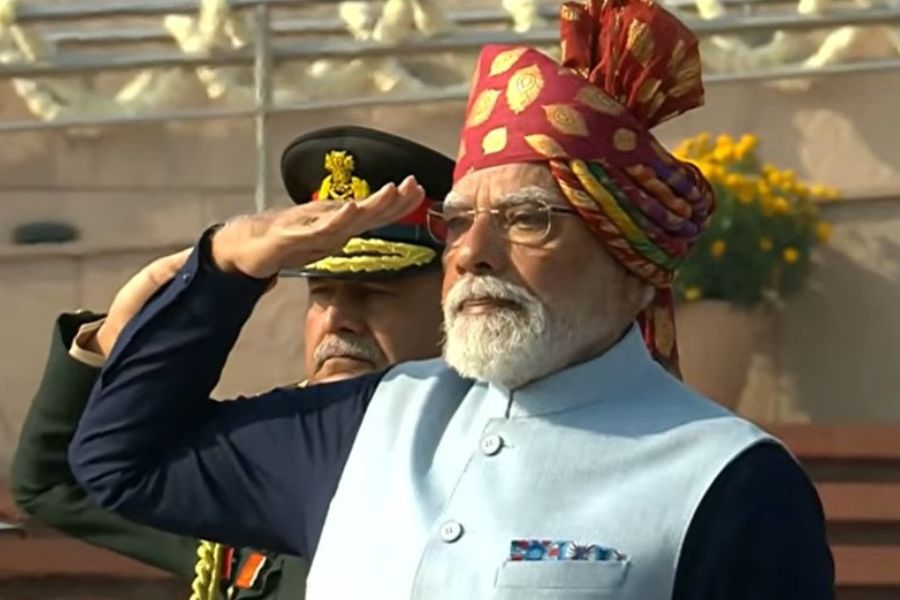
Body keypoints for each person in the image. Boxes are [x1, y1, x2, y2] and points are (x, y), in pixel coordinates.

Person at [68, 2, 835, 598]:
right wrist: (227, 266)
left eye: (528, 219)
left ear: (631, 264)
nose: (470, 253)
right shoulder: (372, 420)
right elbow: (122, 461)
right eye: (459, 221)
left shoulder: (727, 480)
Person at [13, 126, 454, 600]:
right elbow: (58, 484)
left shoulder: (484, 448)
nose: (336, 320)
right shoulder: (264, 451)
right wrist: (113, 341)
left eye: (374, 293)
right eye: (320, 292)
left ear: (454, 304)